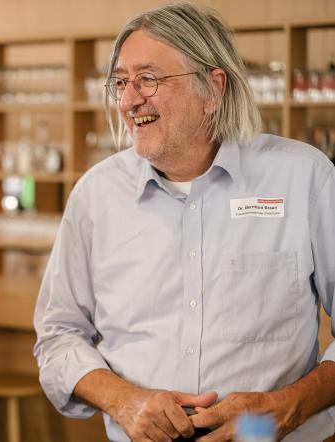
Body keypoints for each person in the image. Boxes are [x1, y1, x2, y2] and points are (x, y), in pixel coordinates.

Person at [33, 3, 335, 442]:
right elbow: (58, 336)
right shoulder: (96, 196)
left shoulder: (305, 178)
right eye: (120, 82)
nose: (129, 99)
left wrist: (288, 406)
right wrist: (123, 399)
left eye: (149, 79)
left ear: (213, 88)